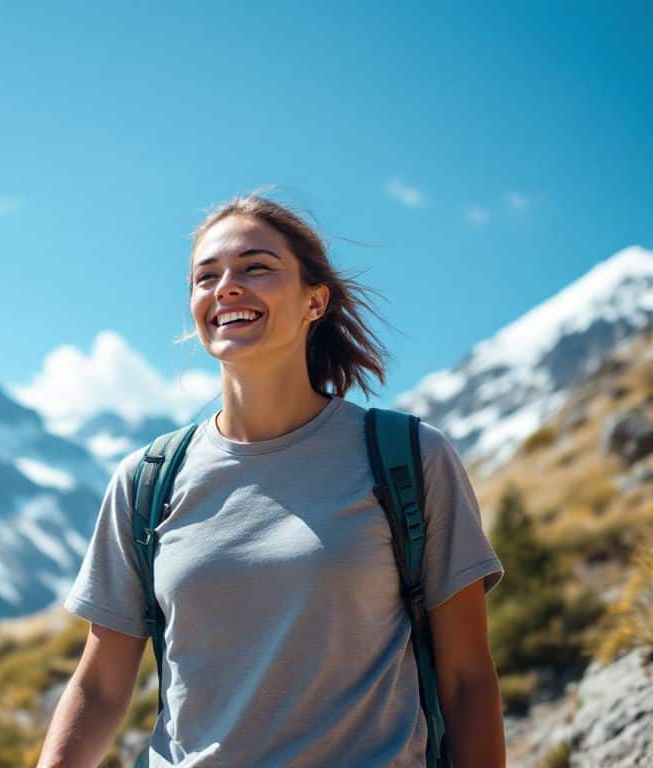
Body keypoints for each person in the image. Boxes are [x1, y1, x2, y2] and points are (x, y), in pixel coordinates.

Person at [36, 193, 507, 767]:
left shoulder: (408, 458)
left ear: (315, 301)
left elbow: (467, 680)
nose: (226, 287)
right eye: (205, 277)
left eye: (256, 267)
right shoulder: (147, 480)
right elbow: (101, 686)